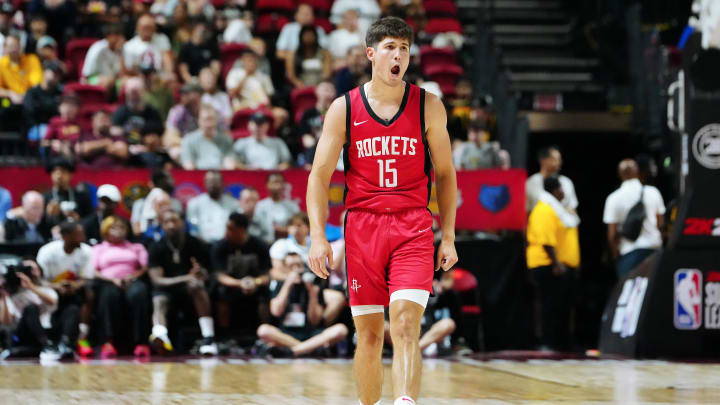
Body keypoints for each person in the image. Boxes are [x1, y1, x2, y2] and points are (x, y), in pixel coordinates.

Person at [306, 17, 458, 405]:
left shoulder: (429, 105)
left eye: (405, 49)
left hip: (413, 226)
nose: (398, 55)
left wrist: (450, 236)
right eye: (391, 47)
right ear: (372, 54)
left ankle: (405, 402)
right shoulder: (344, 109)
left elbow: (444, 173)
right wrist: (319, 237)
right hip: (362, 228)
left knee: (407, 322)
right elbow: (319, 177)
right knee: (370, 336)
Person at [148, 209, 217, 355]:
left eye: (174, 221)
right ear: (162, 225)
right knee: (159, 300)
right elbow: (157, 280)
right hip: (166, 289)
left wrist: (201, 273)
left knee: (197, 286)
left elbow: (208, 273)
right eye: (167, 222)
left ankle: (208, 338)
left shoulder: (195, 243)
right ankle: (161, 336)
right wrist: (185, 277)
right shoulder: (156, 247)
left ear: (183, 223)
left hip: (188, 289)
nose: (171, 225)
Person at [256, 252, 348, 357]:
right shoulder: (279, 285)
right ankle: (308, 349)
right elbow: (276, 312)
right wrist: (288, 284)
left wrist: (312, 295)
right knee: (263, 330)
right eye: (291, 266)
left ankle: (293, 351)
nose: (296, 270)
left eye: (298, 265)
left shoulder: (313, 286)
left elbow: (315, 321)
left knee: (341, 330)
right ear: (286, 269)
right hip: (287, 334)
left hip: (311, 333)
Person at [526, 176, 580, 350]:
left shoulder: (557, 209)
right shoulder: (544, 209)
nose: (564, 192)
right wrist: (556, 264)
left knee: (559, 307)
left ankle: (561, 343)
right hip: (546, 265)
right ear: (555, 190)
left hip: (558, 266)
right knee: (549, 307)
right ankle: (547, 343)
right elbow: (546, 241)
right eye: (561, 189)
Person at [92, 216, 151, 358]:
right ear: (105, 231)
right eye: (114, 227)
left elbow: (145, 267)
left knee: (139, 293)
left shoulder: (136, 247)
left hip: (131, 280)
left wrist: (132, 277)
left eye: (122, 227)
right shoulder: (98, 249)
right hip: (108, 281)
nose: (119, 231)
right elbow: (93, 271)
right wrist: (112, 279)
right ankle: (108, 342)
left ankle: (141, 342)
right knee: (109, 295)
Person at [36, 221, 95, 357]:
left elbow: (87, 278)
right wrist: (57, 286)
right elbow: (38, 280)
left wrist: (75, 285)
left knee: (88, 293)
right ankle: (48, 340)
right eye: (79, 235)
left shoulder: (86, 251)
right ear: (65, 236)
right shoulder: (47, 252)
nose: (83, 238)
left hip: (75, 290)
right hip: (50, 289)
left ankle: (82, 337)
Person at [210, 213, 271, 339]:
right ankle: (224, 335)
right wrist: (240, 283)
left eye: (231, 229)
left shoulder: (259, 245)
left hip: (254, 284)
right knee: (220, 291)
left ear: (242, 230)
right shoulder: (219, 246)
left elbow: (267, 275)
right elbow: (220, 276)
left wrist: (256, 282)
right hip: (231, 285)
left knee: (265, 292)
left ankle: (265, 333)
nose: (227, 232)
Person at [603, 159, 666, 279]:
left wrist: (615, 254)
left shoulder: (613, 198)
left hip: (628, 253)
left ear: (619, 174)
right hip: (654, 249)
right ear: (637, 172)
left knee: (630, 294)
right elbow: (661, 225)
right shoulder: (653, 192)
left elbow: (611, 234)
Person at [0, 259, 70, 360]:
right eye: (28, 269)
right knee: (31, 308)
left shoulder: (44, 289)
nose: (31, 271)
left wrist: (31, 287)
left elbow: (53, 302)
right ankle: (46, 345)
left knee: (71, 309)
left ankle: (61, 345)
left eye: (33, 268)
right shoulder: (12, 296)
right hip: (23, 332)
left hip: (47, 328)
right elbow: (7, 322)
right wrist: (4, 298)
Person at [186, 170, 240, 243]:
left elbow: (236, 227)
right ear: (205, 183)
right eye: (210, 181)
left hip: (226, 243)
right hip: (201, 243)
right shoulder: (195, 203)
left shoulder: (233, 203)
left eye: (215, 181)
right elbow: (193, 227)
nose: (213, 184)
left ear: (222, 183)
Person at [111, 76, 164, 146]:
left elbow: (160, 131)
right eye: (132, 92)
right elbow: (114, 131)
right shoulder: (120, 112)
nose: (134, 97)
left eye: (137, 92)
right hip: (126, 150)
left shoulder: (153, 112)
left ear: (143, 92)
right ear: (127, 93)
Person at [180, 104, 235, 170]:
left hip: (220, 176)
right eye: (205, 120)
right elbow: (188, 166)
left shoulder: (225, 140)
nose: (209, 124)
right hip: (197, 176)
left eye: (211, 119)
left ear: (216, 120)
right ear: (199, 120)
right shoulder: (188, 140)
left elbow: (230, 165)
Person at [43, 157, 94, 227]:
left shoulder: (81, 196)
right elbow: (38, 225)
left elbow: (91, 220)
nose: (59, 176)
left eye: (63, 171)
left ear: (71, 175)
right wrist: (48, 215)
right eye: (55, 171)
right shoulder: (45, 198)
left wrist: (79, 220)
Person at [526, 146, 578, 213]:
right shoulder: (531, 182)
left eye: (560, 160)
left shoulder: (566, 182)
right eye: (555, 159)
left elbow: (573, 209)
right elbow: (527, 210)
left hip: (562, 222)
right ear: (543, 160)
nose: (558, 163)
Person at [297, 81, 336, 169]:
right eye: (324, 89)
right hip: (316, 149)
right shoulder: (308, 114)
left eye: (330, 89)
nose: (327, 92)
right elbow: (306, 140)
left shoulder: (338, 113)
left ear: (334, 93)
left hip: (336, 147)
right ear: (316, 92)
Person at [254, 173, 300, 245]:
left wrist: (285, 230)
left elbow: (298, 225)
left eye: (281, 182)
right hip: (265, 244)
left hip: (289, 244)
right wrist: (286, 229)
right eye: (275, 182)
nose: (278, 186)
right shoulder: (260, 206)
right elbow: (259, 228)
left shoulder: (292, 206)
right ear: (267, 185)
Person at [23, 61, 62, 144]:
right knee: (46, 132)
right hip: (36, 128)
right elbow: (30, 111)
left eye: (58, 74)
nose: (56, 75)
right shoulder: (32, 92)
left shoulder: (60, 94)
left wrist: (42, 106)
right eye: (53, 72)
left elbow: (61, 113)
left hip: (57, 127)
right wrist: (52, 107)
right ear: (44, 72)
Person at [163, 82, 203, 159]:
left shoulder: (207, 111)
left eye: (187, 93)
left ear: (199, 95)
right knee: (175, 152)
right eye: (183, 93)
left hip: (204, 146)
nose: (183, 96)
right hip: (183, 146)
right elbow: (169, 138)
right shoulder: (177, 111)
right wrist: (189, 144)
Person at [82, 23, 126, 90]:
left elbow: (121, 74)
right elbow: (87, 74)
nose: (119, 38)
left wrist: (122, 53)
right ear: (108, 36)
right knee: (109, 81)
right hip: (91, 79)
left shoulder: (120, 49)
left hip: (113, 80)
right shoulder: (98, 49)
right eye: (116, 35)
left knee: (127, 82)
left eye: (120, 35)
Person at [42, 93, 83, 161]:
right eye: (66, 105)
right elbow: (44, 143)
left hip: (79, 149)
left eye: (72, 105)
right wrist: (54, 143)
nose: (69, 108)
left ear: (78, 109)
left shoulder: (80, 123)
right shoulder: (55, 122)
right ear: (59, 108)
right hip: (61, 151)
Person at [269, 212, 311, 279]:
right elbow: (277, 269)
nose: (296, 229)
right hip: (287, 281)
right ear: (288, 228)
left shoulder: (314, 246)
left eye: (299, 225)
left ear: (308, 227)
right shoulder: (281, 244)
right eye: (292, 225)